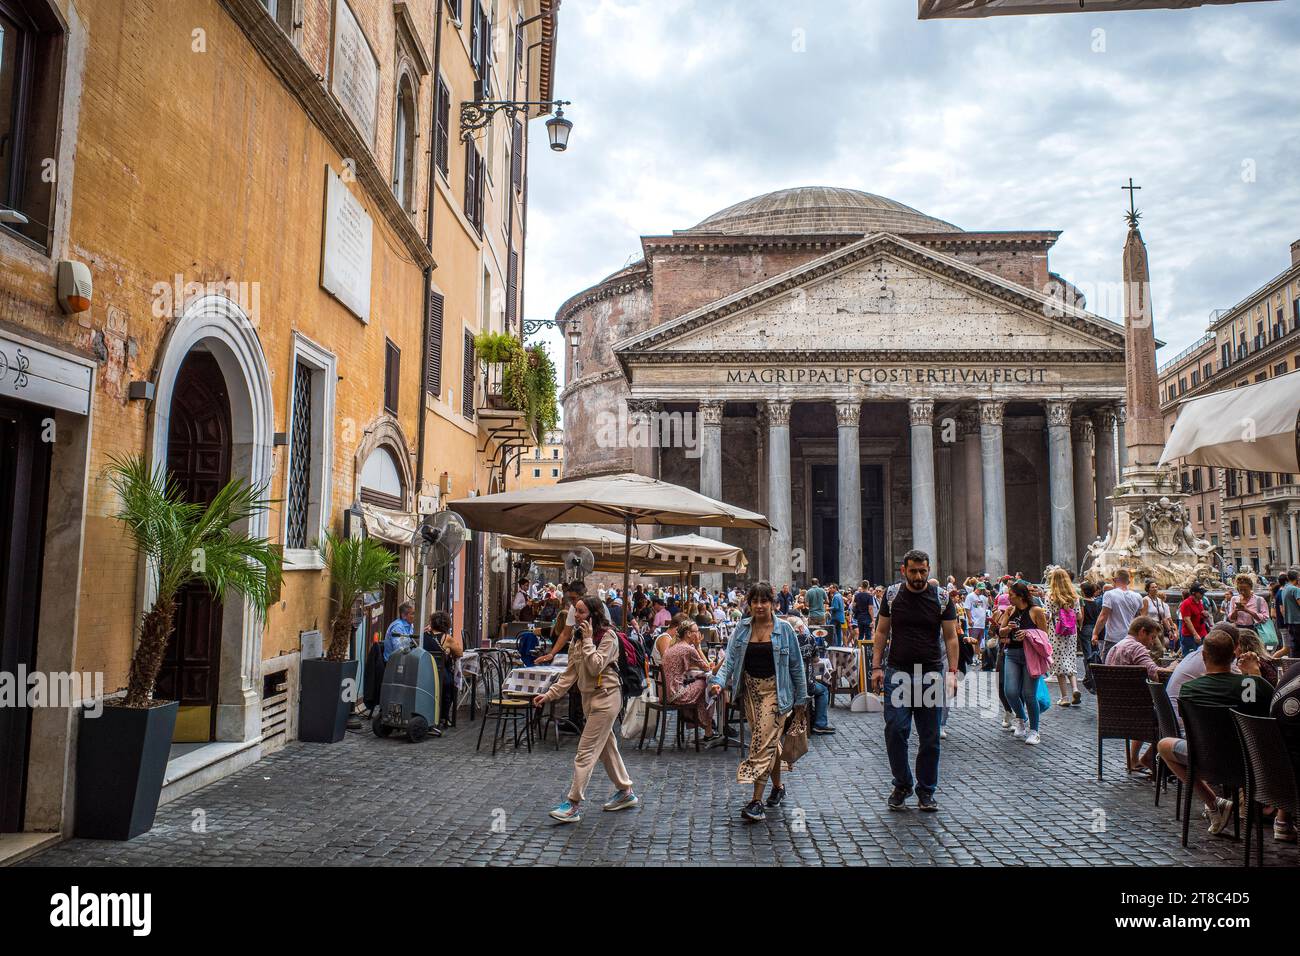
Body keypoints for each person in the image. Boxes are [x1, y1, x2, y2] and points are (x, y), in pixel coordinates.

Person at [1155, 629, 1274, 837]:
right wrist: (1253, 674)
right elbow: (1263, 715)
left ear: (1203, 656)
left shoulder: (1190, 689)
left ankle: (1213, 801)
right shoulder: (1249, 686)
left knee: (1164, 745)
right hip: (1245, 762)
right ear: (1234, 655)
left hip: (1203, 759)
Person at [708, 582, 807, 822]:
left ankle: (756, 801)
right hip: (751, 692)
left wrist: (801, 699)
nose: (760, 606)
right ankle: (778, 787)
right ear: (749, 604)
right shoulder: (741, 629)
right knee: (766, 740)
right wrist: (719, 681)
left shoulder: (785, 630)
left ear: (773, 603)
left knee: (762, 744)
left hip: (777, 692)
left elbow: (796, 666)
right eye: (755, 601)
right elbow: (729, 660)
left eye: (764, 601)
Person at [533, 597, 637, 823]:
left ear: (593, 614)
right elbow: (570, 674)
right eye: (575, 611)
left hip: (607, 698)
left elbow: (596, 665)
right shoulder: (577, 638)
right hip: (589, 700)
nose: (576, 615)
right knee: (607, 747)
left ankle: (573, 804)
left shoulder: (607, 637)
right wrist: (549, 695)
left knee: (586, 751)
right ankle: (625, 791)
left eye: (580, 611)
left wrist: (589, 640)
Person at [871, 549, 960, 811]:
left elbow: (951, 637)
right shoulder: (892, 595)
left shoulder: (942, 598)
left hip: (931, 673)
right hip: (898, 672)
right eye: (914, 571)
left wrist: (953, 673)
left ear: (928, 570)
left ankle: (926, 790)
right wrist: (876, 667)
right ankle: (902, 783)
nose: (919, 576)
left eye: (923, 571)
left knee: (930, 737)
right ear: (903, 571)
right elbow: (881, 632)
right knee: (896, 730)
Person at [998, 580, 1050, 745]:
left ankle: (1035, 731)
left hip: (1031, 655)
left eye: (1011, 595)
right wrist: (1006, 629)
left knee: (1029, 694)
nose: (1008, 597)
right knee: (1010, 691)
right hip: (1012, 653)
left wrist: (1027, 633)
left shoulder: (1036, 611)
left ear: (1020, 596)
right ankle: (1021, 718)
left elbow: (1044, 635)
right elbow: (1000, 631)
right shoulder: (1010, 610)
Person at [661, 616, 721, 737]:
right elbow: (708, 668)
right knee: (708, 684)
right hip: (676, 693)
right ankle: (710, 726)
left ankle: (708, 730)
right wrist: (698, 647)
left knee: (700, 693)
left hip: (666, 693)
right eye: (696, 631)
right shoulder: (689, 649)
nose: (699, 634)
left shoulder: (674, 646)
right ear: (688, 633)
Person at [1045, 567, 1081, 707]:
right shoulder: (1074, 596)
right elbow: (1079, 616)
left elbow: (1047, 615)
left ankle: (1065, 697)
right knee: (1070, 659)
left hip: (1056, 632)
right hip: (1071, 633)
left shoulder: (1050, 596)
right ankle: (1076, 689)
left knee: (1058, 663)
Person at [1094, 568, 1144, 660]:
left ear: (1114, 580)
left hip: (1113, 638)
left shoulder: (1109, 594)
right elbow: (1141, 618)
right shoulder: (1138, 596)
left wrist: (1095, 633)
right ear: (1128, 581)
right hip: (1130, 638)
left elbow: (1103, 616)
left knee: (1108, 667)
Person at [422, 610, 460, 726]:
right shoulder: (447, 638)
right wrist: (448, 650)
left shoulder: (423, 636)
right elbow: (459, 653)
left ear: (431, 623)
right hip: (441, 676)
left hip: (423, 674)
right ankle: (444, 716)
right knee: (452, 686)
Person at [1140, 580, 1174, 650]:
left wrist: (1169, 630)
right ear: (1148, 589)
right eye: (1152, 587)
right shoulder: (1145, 600)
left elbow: (1164, 618)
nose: (1155, 589)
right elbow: (1143, 617)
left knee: (1162, 648)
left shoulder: (1159, 600)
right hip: (1151, 628)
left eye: (1156, 587)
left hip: (1159, 628)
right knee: (1157, 649)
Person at [1178, 583, 1209, 658]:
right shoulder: (1186, 603)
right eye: (1201, 592)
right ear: (1194, 593)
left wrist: (1205, 615)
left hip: (1202, 633)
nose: (1203, 594)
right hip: (1190, 636)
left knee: (1202, 656)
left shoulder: (1199, 602)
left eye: (1203, 592)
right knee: (1190, 657)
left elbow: (1200, 616)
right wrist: (1195, 634)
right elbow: (1187, 620)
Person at [964, 585, 990, 665]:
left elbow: (990, 603)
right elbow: (967, 608)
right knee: (972, 641)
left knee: (978, 642)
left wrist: (988, 594)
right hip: (974, 623)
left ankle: (977, 658)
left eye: (983, 589)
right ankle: (972, 659)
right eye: (981, 588)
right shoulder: (970, 596)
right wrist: (970, 619)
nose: (982, 590)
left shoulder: (983, 597)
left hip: (981, 623)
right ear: (977, 588)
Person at [1280, 569, 1300, 657]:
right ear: (1297, 578)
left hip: (1290, 621)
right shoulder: (1295, 589)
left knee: (1294, 646)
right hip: (1298, 621)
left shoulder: (1285, 589)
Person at [852, 580, 877, 645]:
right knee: (868, 635)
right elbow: (870, 608)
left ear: (861, 586)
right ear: (868, 586)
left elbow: (853, 606)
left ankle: (859, 651)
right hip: (867, 617)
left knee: (860, 635)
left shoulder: (857, 595)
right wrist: (873, 619)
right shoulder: (869, 596)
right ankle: (867, 652)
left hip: (860, 617)